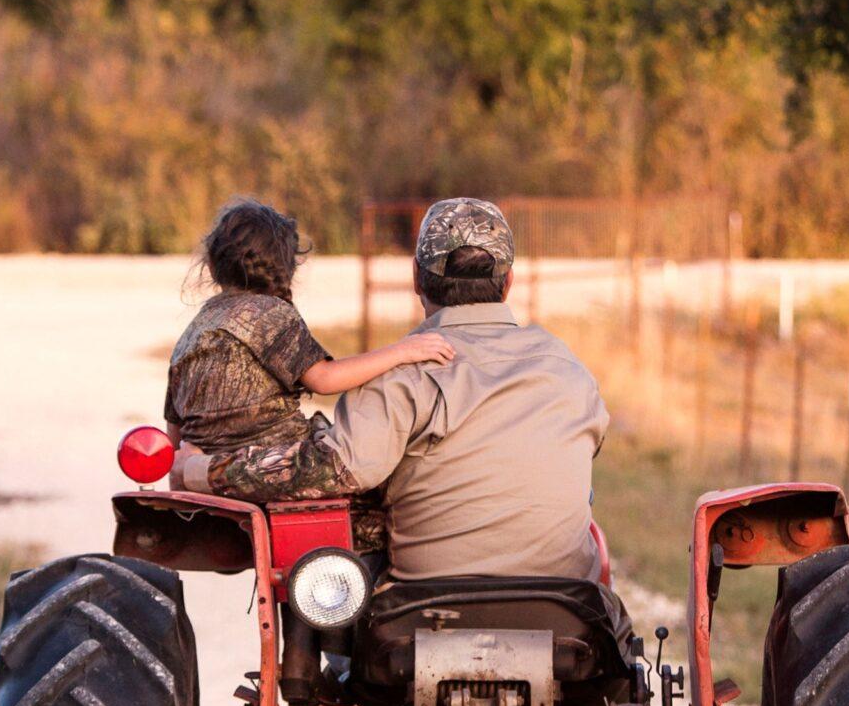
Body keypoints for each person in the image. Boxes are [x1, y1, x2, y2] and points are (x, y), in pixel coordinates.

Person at [175, 198, 610, 581]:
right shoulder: (570, 369)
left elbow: (327, 470)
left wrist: (202, 471)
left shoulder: (404, 375)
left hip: (426, 605)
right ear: (509, 281)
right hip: (570, 608)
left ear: (418, 279)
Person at [168, 199, 454, 499]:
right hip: (270, 468)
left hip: (207, 475)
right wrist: (402, 351)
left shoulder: (192, 332)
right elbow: (325, 379)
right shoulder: (268, 313)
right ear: (285, 267)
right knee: (384, 493)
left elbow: (174, 432)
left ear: (212, 266)